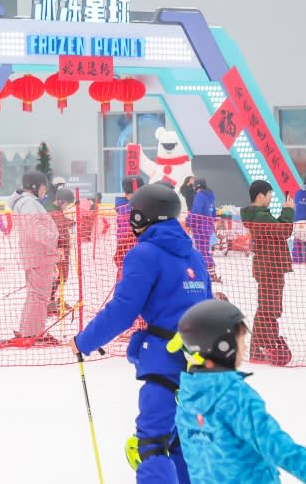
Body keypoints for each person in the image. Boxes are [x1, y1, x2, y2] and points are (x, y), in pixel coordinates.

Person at [73, 182, 211, 484]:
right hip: (197, 362)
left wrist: (85, 341)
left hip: (165, 361)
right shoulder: (193, 254)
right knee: (181, 441)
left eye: (134, 214)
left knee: (152, 443)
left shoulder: (145, 254)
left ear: (143, 217)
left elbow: (123, 309)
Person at [173, 299, 306, 484]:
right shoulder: (233, 395)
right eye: (240, 340)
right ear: (224, 346)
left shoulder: (187, 398)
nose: (244, 347)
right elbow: (272, 441)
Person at [240, 180, 294, 365]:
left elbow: (276, 230)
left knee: (270, 308)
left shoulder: (260, 215)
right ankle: (262, 346)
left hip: (270, 265)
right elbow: (283, 231)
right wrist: (288, 211)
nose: (271, 198)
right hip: (270, 266)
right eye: (270, 194)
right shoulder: (261, 216)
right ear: (260, 195)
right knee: (268, 308)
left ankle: (266, 344)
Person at [13, 170, 59, 345]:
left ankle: (28, 330)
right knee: (39, 295)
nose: (44, 192)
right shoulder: (29, 203)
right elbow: (34, 227)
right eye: (43, 188)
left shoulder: (27, 202)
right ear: (34, 187)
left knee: (35, 295)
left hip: (37, 254)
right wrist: (54, 239)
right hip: (39, 254)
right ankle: (33, 333)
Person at [46, 186, 76, 315]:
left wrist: (71, 223)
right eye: (67, 204)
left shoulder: (57, 211)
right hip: (59, 248)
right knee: (58, 276)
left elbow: (62, 222)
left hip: (62, 248)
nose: (67, 207)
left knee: (62, 275)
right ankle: (51, 303)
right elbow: (58, 227)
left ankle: (59, 299)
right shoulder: (53, 211)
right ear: (61, 201)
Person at [187, 178, 218, 281]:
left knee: (201, 250)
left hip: (200, 227)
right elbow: (214, 212)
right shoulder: (211, 196)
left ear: (197, 187)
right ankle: (211, 272)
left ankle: (207, 272)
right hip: (208, 226)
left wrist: (189, 222)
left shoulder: (200, 196)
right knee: (205, 249)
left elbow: (196, 211)